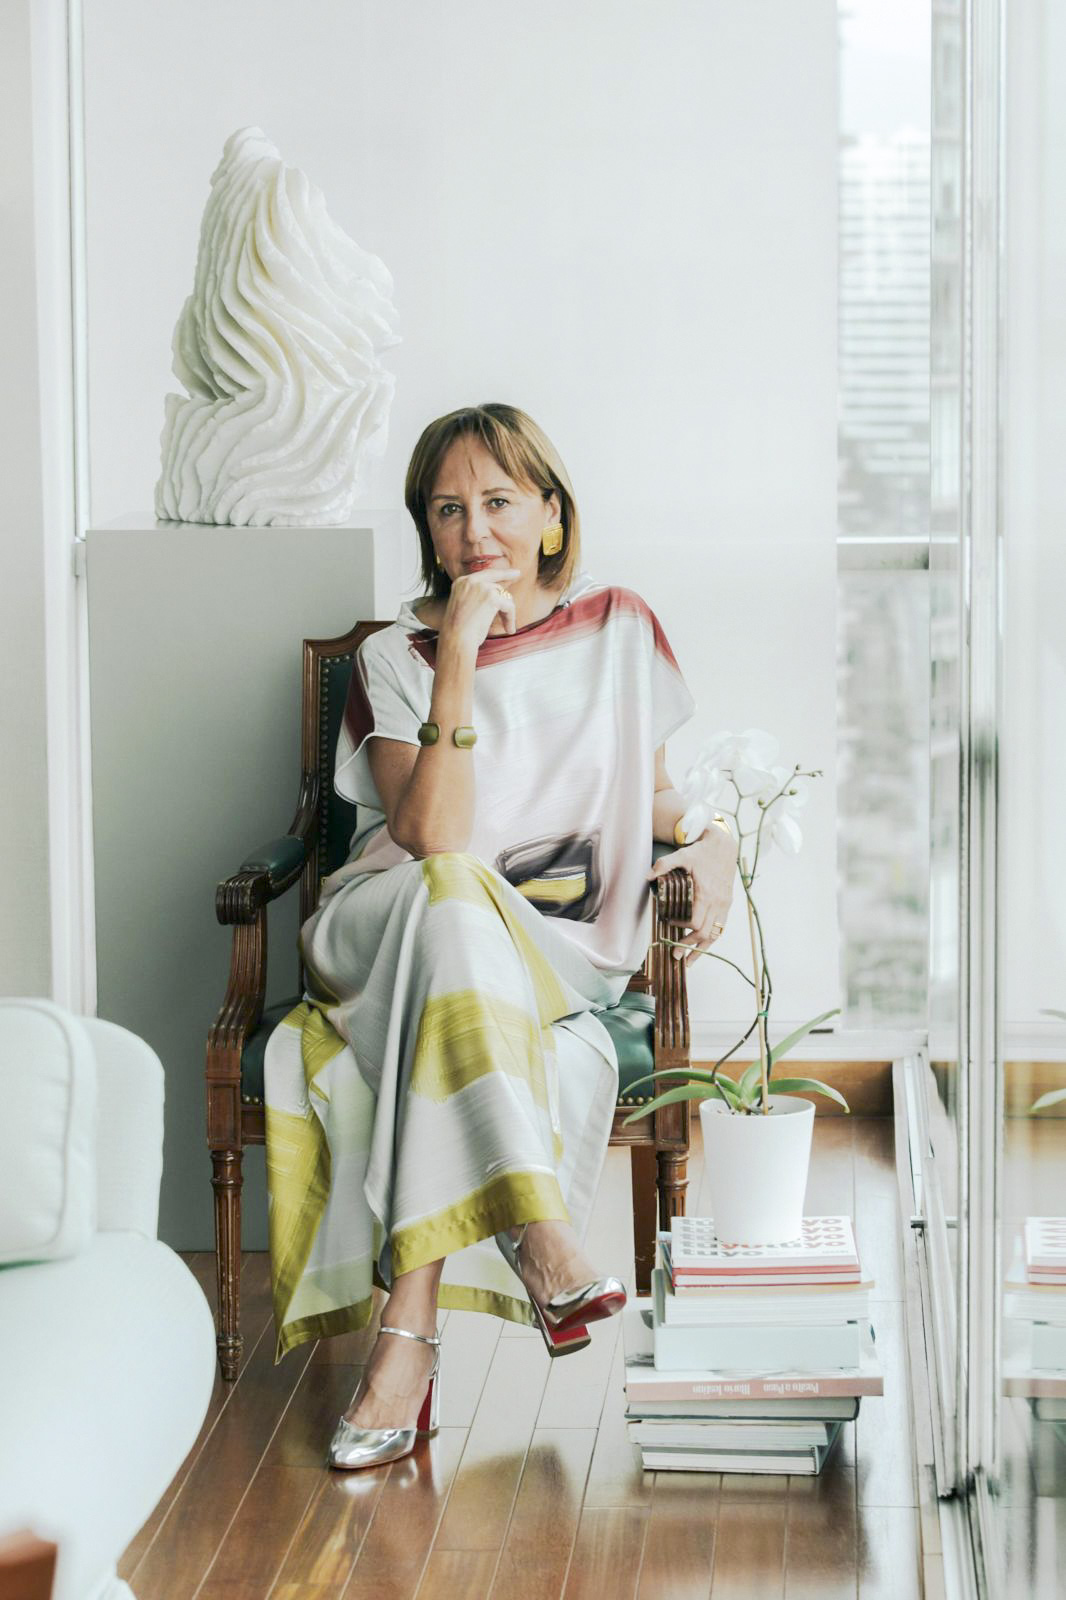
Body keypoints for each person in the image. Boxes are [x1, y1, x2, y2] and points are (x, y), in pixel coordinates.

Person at [263, 403, 736, 1471]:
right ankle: (541, 1233)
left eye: (499, 501)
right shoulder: (394, 656)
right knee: (451, 893)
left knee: (464, 948)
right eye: (447, 509)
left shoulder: (618, 628)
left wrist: (712, 840)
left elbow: (652, 794)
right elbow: (431, 836)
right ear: (426, 532)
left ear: (551, 514)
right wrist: (458, 658)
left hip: (544, 952)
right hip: (384, 929)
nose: (475, 530)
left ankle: (407, 1337)